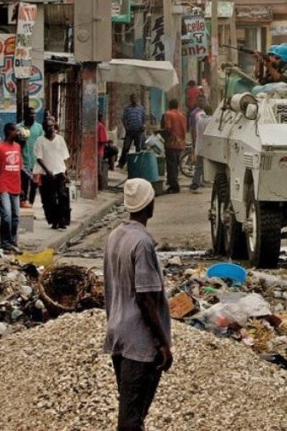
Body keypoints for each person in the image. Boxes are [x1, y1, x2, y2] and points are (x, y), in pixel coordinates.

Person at [103, 178, 173, 431]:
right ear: (149, 204)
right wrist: (162, 342)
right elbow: (146, 297)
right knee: (131, 418)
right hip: (139, 341)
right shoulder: (142, 243)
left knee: (131, 410)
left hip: (118, 333)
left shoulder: (115, 236)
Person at [34, 118, 72, 229]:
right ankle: (53, 221)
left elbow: (65, 157)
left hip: (59, 172)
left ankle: (62, 221)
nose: (50, 128)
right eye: (47, 126)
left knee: (62, 196)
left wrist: (66, 173)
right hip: (47, 174)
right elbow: (39, 158)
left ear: (54, 127)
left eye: (51, 126)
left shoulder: (60, 139)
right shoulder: (40, 141)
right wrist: (47, 171)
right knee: (49, 199)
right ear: (44, 128)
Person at [0, 122, 23, 251]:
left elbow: (19, 168)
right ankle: (5, 241)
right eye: (15, 131)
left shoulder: (18, 147)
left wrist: (21, 186)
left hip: (15, 186)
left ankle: (13, 240)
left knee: (16, 215)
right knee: (6, 215)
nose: (18, 133)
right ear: (9, 132)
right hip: (4, 185)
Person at [17, 107, 43, 208]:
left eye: (34, 114)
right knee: (23, 184)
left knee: (34, 185)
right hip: (23, 161)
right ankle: (23, 204)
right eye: (30, 114)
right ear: (25, 115)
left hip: (36, 162)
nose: (33, 116)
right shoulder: (19, 127)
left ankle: (30, 205)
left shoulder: (39, 128)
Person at [161, 99, 187, 194]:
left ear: (169, 106)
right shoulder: (182, 115)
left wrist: (162, 135)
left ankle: (174, 186)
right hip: (180, 143)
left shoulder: (168, 114)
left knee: (171, 165)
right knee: (175, 165)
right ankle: (173, 183)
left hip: (172, 143)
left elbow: (168, 128)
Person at [118, 93, 147, 169]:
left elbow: (144, 118)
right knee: (126, 147)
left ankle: (138, 164)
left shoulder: (141, 108)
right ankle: (121, 163)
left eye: (135, 98)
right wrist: (126, 127)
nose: (134, 99)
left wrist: (143, 126)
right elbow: (124, 119)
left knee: (138, 148)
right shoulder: (127, 108)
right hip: (129, 131)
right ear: (130, 99)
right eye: (132, 98)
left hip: (138, 131)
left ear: (137, 99)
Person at [189, 104, 213, 193]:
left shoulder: (199, 120)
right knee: (200, 167)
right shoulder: (211, 120)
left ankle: (199, 182)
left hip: (199, 146)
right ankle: (194, 184)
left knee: (200, 166)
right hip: (207, 147)